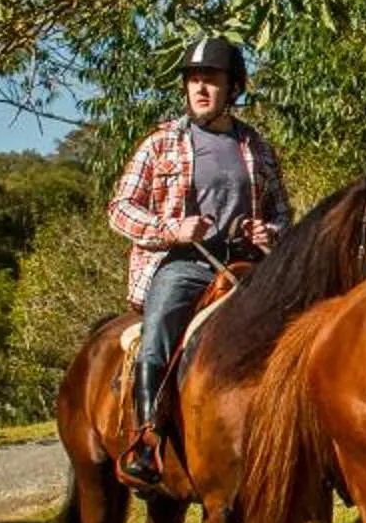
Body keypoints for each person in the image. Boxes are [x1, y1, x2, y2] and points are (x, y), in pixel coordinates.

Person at [107, 36, 292, 490]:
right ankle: (147, 438)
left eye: (211, 80)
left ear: (234, 88)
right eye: (194, 81)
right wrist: (172, 229)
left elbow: (283, 213)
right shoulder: (160, 142)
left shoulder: (257, 147)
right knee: (158, 334)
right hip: (184, 262)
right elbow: (120, 209)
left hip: (247, 264)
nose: (200, 89)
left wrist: (269, 232)